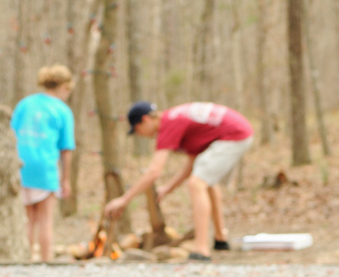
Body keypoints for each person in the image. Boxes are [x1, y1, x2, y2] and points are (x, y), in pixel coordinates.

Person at [105, 101, 253, 261]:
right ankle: (220, 239)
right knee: (206, 182)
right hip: (238, 131)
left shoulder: (168, 125)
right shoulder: (175, 119)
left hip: (234, 135)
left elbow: (154, 171)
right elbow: (192, 163)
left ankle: (202, 250)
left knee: (197, 184)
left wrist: (124, 200)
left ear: (146, 120)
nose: (139, 134)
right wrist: (168, 188)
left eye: (137, 129)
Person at [10, 65, 76, 262]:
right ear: (64, 87)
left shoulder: (25, 104)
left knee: (27, 220)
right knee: (45, 220)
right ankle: (46, 262)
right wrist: (65, 179)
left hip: (21, 165)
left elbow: (10, 134)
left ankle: (26, 259)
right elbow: (66, 149)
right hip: (45, 168)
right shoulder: (63, 111)